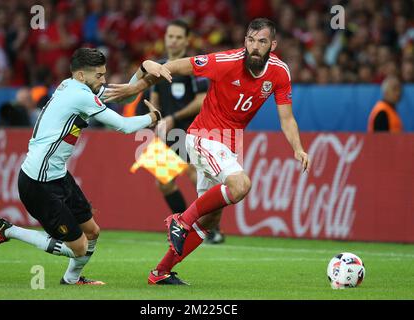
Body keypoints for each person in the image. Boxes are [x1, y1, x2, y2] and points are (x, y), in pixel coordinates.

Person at [104, 18, 311, 285]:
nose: (254, 47)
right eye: (250, 40)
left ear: (273, 44)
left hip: (228, 143)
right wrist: (136, 87)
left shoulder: (280, 73)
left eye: (261, 41)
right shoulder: (225, 61)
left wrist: (298, 148)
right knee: (239, 185)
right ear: (244, 41)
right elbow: (175, 67)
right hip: (202, 136)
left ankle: (160, 272)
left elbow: (287, 119)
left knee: (211, 218)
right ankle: (180, 220)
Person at [0, 48, 169, 285]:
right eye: (99, 76)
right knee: (79, 248)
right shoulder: (80, 96)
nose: (103, 80)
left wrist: (142, 69)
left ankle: (72, 280)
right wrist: (153, 118)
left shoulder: (76, 86)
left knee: (92, 232)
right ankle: (9, 230)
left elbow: (120, 96)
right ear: (82, 75)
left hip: (58, 176)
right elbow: (123, 126)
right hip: (38, 183)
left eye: (104, 74)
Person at [146, 19, 225, 244]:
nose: (173, 41)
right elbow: (155, 100)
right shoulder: (158, 68)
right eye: (170, 36)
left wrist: (173, 118)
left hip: (193, 131)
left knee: (195, 175)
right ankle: (184, 225)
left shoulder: (195, 68)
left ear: (186, 40)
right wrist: (156, 119)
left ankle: (213, 229)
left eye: (178, 37)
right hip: (167, 133)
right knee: (163, 182)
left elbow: (202, 100)